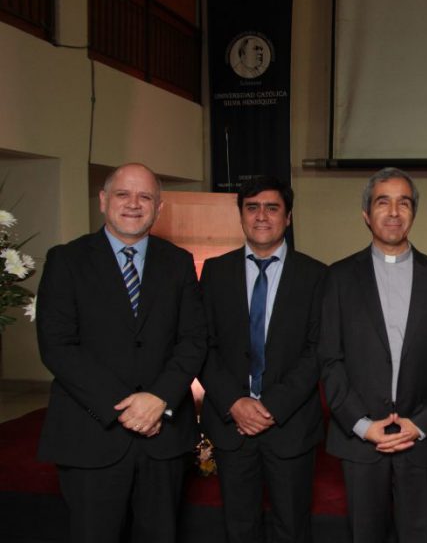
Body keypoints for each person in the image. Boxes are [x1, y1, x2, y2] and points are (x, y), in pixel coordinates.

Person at [36, 163, 206, 543]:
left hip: (163, 437)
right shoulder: (66, 260)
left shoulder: (178, 262)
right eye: (123, 194)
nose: (134, 204)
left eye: (145, 196)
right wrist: (126, 406)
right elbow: (57, 345)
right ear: (103, 201)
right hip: (91, 435)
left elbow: (194, 339)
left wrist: (159, 399)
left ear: (158, 208)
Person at [318, 167, 427, 542]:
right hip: (360, 440)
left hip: (421, 439)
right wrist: (363, 425)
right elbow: (330, 360)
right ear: (366, 214)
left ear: (414, 213)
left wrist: (421, 422)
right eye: (383, 202)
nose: (394, 212)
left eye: (404, 203)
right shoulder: (338, 277)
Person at [199, 175, 326, 542]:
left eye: (272, 208)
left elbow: (318, 350)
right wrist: (235, 402)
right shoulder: (214, 272)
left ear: (288, 218)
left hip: (289, 425)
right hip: (230, 424)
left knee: (292, 525)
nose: (261, 217)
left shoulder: (316, 275)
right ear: (240, 215)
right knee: (239, 526)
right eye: (252, 208)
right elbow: (200, 345)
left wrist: (270, 406)